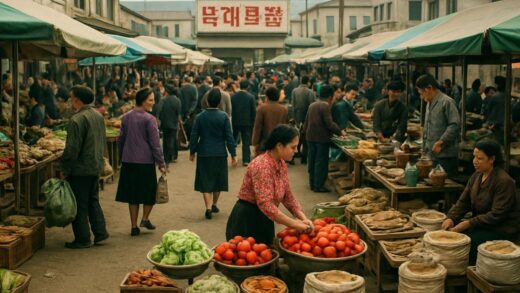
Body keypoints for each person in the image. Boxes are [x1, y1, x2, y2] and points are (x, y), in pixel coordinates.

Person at [226, 125, 314, 245]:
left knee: (265, 255)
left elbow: (288, 197)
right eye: (293, 147)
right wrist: (295, 224)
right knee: (247, 258)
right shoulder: (261, 166)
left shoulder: (281, 164)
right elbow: (266, 204)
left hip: (265, 218)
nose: (297, 151)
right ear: (279, 146)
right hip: (248, 218)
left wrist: (303, 218)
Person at [442, 140, 519, 264]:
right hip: (480, 225)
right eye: (474, 157)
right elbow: (463, 202)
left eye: (480, 158)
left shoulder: (504, 181)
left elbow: (496, 215)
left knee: (467, 241)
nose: (474, 161)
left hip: (500, 229)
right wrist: (451, 218)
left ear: (492, 159)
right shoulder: (476, 176)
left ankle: (468, 275)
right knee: (448, 234)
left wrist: (468, 223)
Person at [60, 86, 108, 249]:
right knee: (93, 200)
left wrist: (64, 167)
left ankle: (83, 238)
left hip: (80, 168)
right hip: (95, 165)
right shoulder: (97, 115)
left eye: (71, 97)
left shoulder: (77, 119)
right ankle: (100, 233)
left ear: (77, 99)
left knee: (79, 204)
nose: (70, 100)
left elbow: (72, 148)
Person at [116, 88, 167, 236]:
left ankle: (133, 226)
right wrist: (161, 163)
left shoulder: (126, 117)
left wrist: (122, 156)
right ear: (143, 100)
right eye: (151, 100)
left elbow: (121, 140)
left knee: (133, 195)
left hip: (129, 161)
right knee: (149, 194)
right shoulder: (149, 119)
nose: (153, 102)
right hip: (145, 162)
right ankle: (144, 218)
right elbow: (155, 144)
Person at [190, 89, 237, 219]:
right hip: (220, 153)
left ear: (206, 101)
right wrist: (233, 154)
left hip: (204, 152)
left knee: (205, 180)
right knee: (218, 180)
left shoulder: (200, 117)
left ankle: (208, 207)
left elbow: (194, 135)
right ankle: (215, 203)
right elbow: (229, 137)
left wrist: (192, 151)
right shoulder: (224, 117)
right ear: (219, 102)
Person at [304, 85, 346, 193]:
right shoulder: (325, 105)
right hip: (321, 138)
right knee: (321, 162)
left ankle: (312, 184)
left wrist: (305, 133)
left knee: (312, 161)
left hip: (310, 137)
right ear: (330, 97)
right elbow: (329, 123)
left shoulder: (312, 104)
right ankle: (319, 186)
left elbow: (306, 122)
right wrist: (340, 132)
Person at [417, 74, 460, 177]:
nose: (421, 96)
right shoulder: (429, 102)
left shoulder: (447, 102)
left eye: (421, 93)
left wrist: (441, 142)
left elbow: (454, 125)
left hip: (445, 157)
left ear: (429, 88)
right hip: (431, 156)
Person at [252, 87, 289, 156]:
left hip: (265, 142)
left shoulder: (262, 109)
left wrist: (255, 143)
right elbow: (286, 126)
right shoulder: (283, 110)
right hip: (279, 142)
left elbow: (257, 127)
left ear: (267, 96)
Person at [231, 80, 256, 166]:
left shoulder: (233, 96)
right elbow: (253, 112)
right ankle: (246, 160)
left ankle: (233, 157)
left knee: (233, 140)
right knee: (246, 142)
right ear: (248, 87)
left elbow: (232, 110)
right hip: (247, 122)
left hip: (236, 121)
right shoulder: (251, 97)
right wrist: (253, 123)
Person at [291, 76, 315, 164]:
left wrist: (294, 118)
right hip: (306, 117)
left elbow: (292, 105)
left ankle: (292, 157)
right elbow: (311, 105)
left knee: (296, 137)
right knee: (305, 138)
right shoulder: (310, 92)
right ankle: (304, 159)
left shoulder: (294, 91)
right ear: (308, 82)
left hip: (297, 117)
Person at [157, 83, 181, 164]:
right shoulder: (177, 100)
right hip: (174, 123)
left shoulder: (163, 100)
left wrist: (158, 120)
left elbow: (158, 110)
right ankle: (173, 156)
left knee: (166, 140)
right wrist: (178, 123)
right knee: (173, 139)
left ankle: (166, 157)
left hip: (165, 123)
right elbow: (178, 113)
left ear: (167, 91)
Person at [485, 76, 506, 144]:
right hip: (504, 125)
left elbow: (488, 110)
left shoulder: (495, 97)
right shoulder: (507, 96)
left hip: (496, 125)